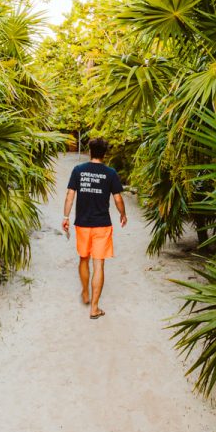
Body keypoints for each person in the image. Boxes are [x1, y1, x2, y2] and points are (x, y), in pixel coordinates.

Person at [62, 136, 127, 319]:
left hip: (82, 224)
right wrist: (123, 214)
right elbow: (118, 198)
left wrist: (66, 216)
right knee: (98, 264)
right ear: (104, 154)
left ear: (90, 151)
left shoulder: (78, 170)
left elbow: (69, 195)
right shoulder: (110, 173)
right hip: (102, 225)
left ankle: (85, 292)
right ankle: (95, 308)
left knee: (83, 259)